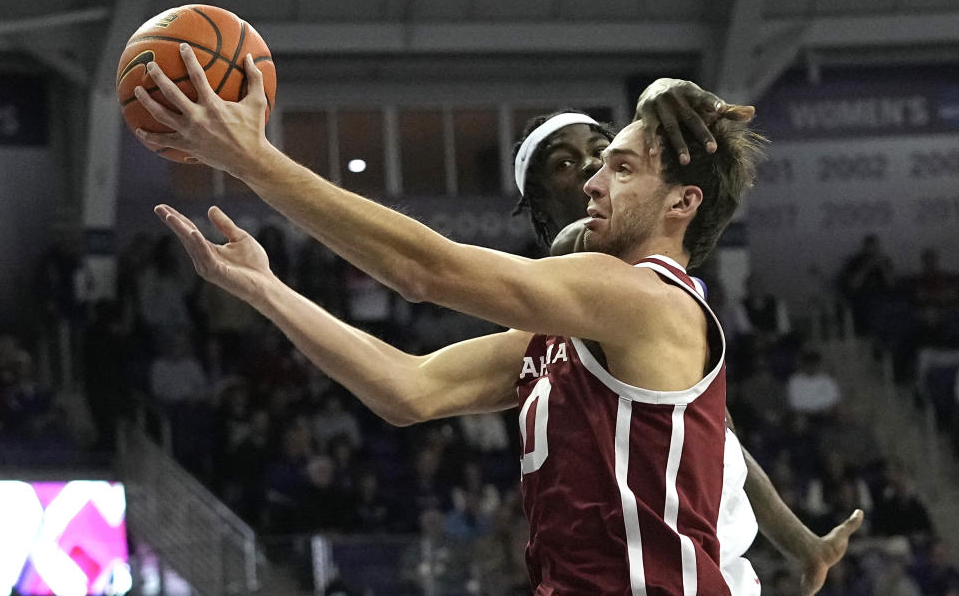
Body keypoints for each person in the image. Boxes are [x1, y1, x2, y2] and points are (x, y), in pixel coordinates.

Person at [133, 49, 842, 593]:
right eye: (589, 166)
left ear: (681, 204)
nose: (596, 180)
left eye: (620, 167)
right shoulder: (564, 332)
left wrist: (251, 159)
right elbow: (408, 391)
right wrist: (267, 290)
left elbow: (425, 272)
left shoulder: (643, 298)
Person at [512, 85, 861, 594]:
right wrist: (654, 94)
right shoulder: (561, 293)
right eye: (565, 165)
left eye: (605, 153)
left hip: (695, 566)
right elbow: (410, 386)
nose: (591, 169)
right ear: (542, 205)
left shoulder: (653, 286)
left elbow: (722, 438)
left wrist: (800, 540)